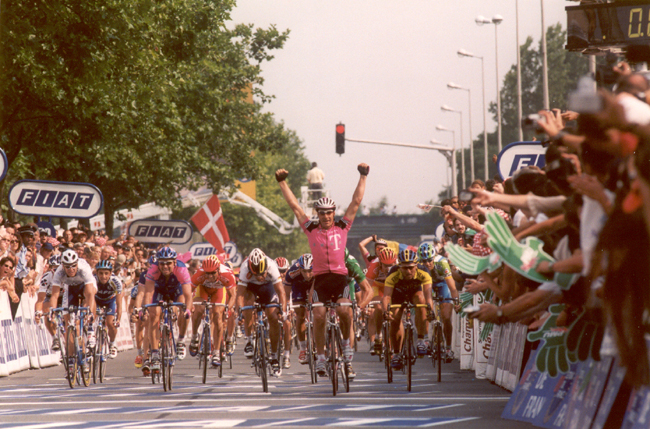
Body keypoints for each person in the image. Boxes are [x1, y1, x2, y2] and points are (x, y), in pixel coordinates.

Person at [276, 162, 369, 377]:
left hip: (339, 279)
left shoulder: (343, 227)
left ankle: (346, 353)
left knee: (345, 312)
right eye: (322, 213)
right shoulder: (311, 229)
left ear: (334, 213)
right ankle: (319, 358)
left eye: (329, 213)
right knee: (318, 316)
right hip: (320, 280)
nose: (326, 216)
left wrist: (363, 176)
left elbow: (356, 201)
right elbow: (295, 206)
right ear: (317, 213)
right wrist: (282, 182)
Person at [142, 246, 193, 373]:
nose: (165, 266)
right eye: (162, 263)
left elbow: (188, 295)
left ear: (174, 262)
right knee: (154, 316)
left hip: (176, 290)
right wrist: (145, 310)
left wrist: (187, 310)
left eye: (168, 263)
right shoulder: (153, 269)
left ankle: (181, 340)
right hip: (159, 290)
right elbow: (148, 293)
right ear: (157, 263)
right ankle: (154, 355)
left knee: (183, 309)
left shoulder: (181, 269)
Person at [236, 248, 287, 377]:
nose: (260, 277)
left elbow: (281, 292)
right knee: (247, 305)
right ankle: (249, 340)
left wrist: (283, 311)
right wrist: (239, 313)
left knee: (273, 318)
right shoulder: (244, 268)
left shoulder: (272, 266)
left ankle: (274, 357)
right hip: (251, 289)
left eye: (262, 274)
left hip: (268, 288)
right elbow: (240, 295)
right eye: (256, 274)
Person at [382, 249, 434, 370]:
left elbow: (428, 296)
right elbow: (386, 297)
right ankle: (396, 353)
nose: (408, 271)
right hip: (398, 294)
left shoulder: (424, 271)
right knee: (394, 317)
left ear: (416, 265)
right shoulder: (393, 273)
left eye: (411, 267)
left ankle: (421, 339)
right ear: (399, 266)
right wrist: (386, 311)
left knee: (421, 300)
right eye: (405, 268)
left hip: (415, 292)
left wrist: (430, 310)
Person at [49, 249, 98, 373]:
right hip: (70, 288)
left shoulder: (83, 268)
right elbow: (54, 295)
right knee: (69, 326)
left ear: (77, 264)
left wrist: (89, 312)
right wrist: (52, 310)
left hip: (85, 286)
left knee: (89, 296)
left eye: (73, 266)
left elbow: (90, 295)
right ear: (63, 266)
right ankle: (71, 360)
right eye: (67, 267)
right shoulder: (59, 273)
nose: (71, 269)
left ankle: (91, 329)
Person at [188, 255, 236, 367]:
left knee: (218, 316)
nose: (209, 276)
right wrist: (190, 305)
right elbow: (188, 291)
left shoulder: (227, 274)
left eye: (213, 273)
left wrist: (228, 308)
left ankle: (216, 352)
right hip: (203, 290)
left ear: (218, 270)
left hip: (218, 291)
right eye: (207, 273)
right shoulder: (199, 274)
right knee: (198, 310)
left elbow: (233, 295)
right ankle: (195, 337)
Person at [417, 242, 459, 361]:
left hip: (442, 284)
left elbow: (452, 287)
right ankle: (425, 338)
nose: (427, 263)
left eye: (429, 260)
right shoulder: (419, 265)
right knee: (423, 305)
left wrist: (456, 302)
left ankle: (448, 348)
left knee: (446, 317)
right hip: (426, 284)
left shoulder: (442, 262)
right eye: (424, 261)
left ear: (434, 257)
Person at [282, 254, 314, 368]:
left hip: (315, 285)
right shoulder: (292, 272)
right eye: (304, 271)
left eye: (310, 271)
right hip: (298, 286)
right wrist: (286, 308)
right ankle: (303, 348)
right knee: (300, 315)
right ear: (299, 268)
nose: (307, 274)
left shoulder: (320, 269)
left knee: (319, 311)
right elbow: (285, 294)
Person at [94, 259, 124, 359]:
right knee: (91, 317)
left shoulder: (116, 281)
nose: (103, 276)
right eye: (101, 273)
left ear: (111, 273)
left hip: (110, 301)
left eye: (106, 273)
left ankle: (112, 344)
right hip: (97, 300)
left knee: (110, 323)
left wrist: (118, 319)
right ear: (96, 273)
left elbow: (119, 303)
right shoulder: (93, 280)